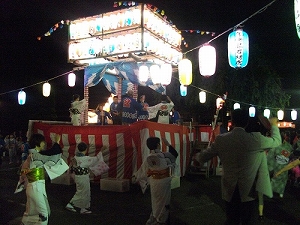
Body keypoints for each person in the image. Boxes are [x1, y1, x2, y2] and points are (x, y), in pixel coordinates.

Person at [195, 109, 281, 225]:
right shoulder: (255, 139)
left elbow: (206, 154)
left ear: (232, 121)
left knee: (232, 220)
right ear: (247, 122)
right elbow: (276, 141)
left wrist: (197, 159)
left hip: (229, 188)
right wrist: (274, 126)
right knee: (247, 220)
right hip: (248, 190)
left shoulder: (222, 139)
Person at [18, 133, 68, 225]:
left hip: (33, 186)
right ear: (39, 143)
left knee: (31, 213)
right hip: (35, 187)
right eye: (43, 142)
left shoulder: (32, 155)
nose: (45, 144)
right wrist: (56, 142)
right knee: (43, 214)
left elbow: (22, 172)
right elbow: (52, 153)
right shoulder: (35, 155)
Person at [132, 137, 178, 225]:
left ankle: (154, 218)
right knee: (164, 203)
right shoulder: (164, 155)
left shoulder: (149, 157)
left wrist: (135, 177)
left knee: (155, 202)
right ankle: (160, 220)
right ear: (158, 145)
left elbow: (142, 170)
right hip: (164, 182)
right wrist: (168, 144)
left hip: (154, 182)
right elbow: (175, 154)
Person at [66, 142, 107, 214]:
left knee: (85, 192)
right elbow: (97, 159)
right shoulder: (85, 159)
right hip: (83, 177)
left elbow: (71, 168)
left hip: (78, 176)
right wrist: (101, 150)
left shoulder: (75, 157)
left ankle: (83, 208)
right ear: (86, 149)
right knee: (82, 192)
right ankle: (71, 204)